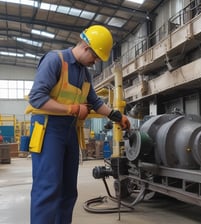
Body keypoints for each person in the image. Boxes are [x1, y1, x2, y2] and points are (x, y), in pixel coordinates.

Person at [25, 25, 130, 224]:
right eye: (96, 57)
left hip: (69, 131)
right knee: (48, 188)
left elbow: (95, 102)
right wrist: (72, 109)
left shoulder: (84, 73)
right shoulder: (55, 60)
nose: (95, 62)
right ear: (85, 47)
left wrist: (116, 115)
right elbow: (36, 98)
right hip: (48, 130)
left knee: (68, 190)